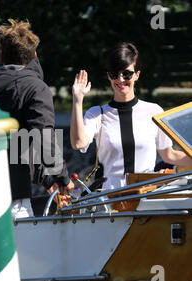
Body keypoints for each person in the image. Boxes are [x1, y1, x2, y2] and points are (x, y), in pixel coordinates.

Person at [0, 19, 74, 218]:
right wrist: (63, 179)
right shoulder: (35, 88)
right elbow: (44, 140)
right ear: (34, 57)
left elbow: (16, 147)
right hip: (14, 198)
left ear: (1, 56)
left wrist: (49, 181)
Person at [70, 42, 192, 190]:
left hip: (145, 196)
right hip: (108, 199)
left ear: (137, 75)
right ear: (109, 76)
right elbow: (78, 143)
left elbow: (169, 155)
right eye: (114, 74)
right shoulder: (97, 114)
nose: (120, 79)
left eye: (127, 74)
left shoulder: (154, 112)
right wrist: (77, 100)